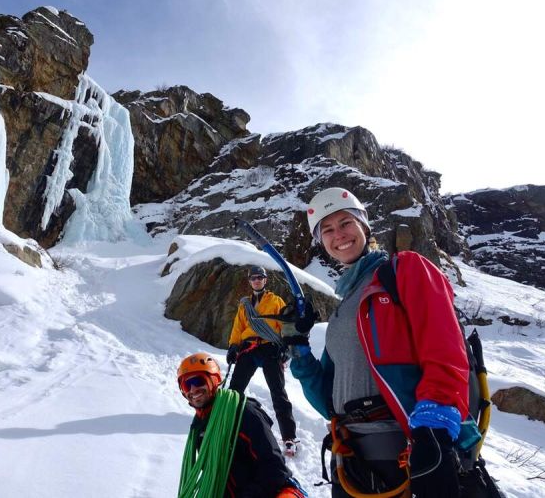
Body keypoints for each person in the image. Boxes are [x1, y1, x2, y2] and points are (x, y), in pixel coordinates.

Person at [286, 187, 471, 498]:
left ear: (364, 225)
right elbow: (331, 402)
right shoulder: (344, 308)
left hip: (409, 448)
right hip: (351, 459)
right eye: (327, 230)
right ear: (321, 243)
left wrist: (436, 419)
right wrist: (300, 352)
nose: (338, 235)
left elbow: (444, 343)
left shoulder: (404, 270)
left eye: (345, 223)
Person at [177, 352, 305, 498]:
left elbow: (275, 469)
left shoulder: (243, 413)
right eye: (187, 385)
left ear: (214, 379)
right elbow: (216, 478)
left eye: (198, 381)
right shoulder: (199, 428)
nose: (193, 389)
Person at [226, 266, 299, 456]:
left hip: (270, 347)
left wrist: (285, 347)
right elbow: (238, 327)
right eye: (253, 278)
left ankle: (289, 437)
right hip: (249, 348)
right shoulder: (244, 305)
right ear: (250, 282)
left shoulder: (276, 301)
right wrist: (233, 346)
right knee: (234, 389)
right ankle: (226, 422)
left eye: (260, 277)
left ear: (265, 280)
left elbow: (284, 324)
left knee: (278, 392)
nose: (257, 280)